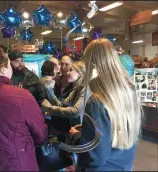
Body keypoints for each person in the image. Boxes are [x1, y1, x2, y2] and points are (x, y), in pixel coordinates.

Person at [46, 38, 143, 171]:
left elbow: (95, 157)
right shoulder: (129, 91)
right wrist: (88, 129)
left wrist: (76, 136)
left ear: (91, 63)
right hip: (124, 165)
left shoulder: (97, 100)